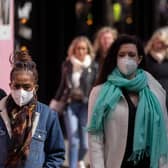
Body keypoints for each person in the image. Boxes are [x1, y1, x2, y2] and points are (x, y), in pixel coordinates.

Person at [87, 34, 168, 168]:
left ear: (139, 59)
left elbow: (164, 132)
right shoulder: (100, 93)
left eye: (131, 55)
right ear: (115, 58)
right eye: (122, 55)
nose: (127, 59)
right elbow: (95, 138)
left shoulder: (155, 90)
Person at [0, 50, 65, 168]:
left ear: (35, 87)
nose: (21, 91)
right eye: (17, 86)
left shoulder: (48, 115)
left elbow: (56, 154)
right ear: (10, 85)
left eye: (26, 87)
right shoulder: (1, 112)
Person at [50, 36, 96, 168]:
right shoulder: (67, 64)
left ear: (87, 50)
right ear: (73, 50)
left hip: (85, 106)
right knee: (73, 141)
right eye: (78, 48)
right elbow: (63, 86)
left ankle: (78, 160)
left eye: (83, 48)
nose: (81, 51)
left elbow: (95, 86)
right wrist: (54, 104)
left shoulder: (93, 65)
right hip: (70, 105)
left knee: (85, 144)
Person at [145, 27, 168, 108]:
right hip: (152, 99)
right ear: (152, 41)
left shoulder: (166, 59)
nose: (159, 44)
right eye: (157, 40)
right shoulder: (146, 58)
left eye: (162, 42)